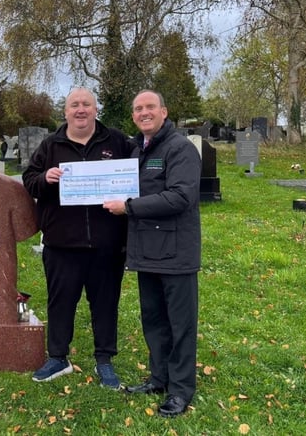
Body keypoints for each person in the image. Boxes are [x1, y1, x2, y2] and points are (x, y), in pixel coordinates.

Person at [22, 86, 135, 387]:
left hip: (107, 244)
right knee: (61, 302)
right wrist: (45, 178)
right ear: (66, 111)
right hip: (62, 244)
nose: (80, 110)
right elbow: (29, 180)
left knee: (105, 303)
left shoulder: (118, 141)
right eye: (75, 105)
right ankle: (58, 357)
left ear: (96, 109)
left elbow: (136, 174)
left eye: (86, 104)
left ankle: (104, 360)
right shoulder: (51, 145)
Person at [104, 89, 201, 417]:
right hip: (146, 253)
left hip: (175, 253)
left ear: (164, 111)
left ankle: (181, 389)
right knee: (155, 321)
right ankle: (159, 378)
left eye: (150, 107)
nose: (144, 113)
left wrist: (128, 207)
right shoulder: (140, 152)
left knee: (180, 325)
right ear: (133, 116)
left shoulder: (180, 149)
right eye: (138, 109)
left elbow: (180, 197)